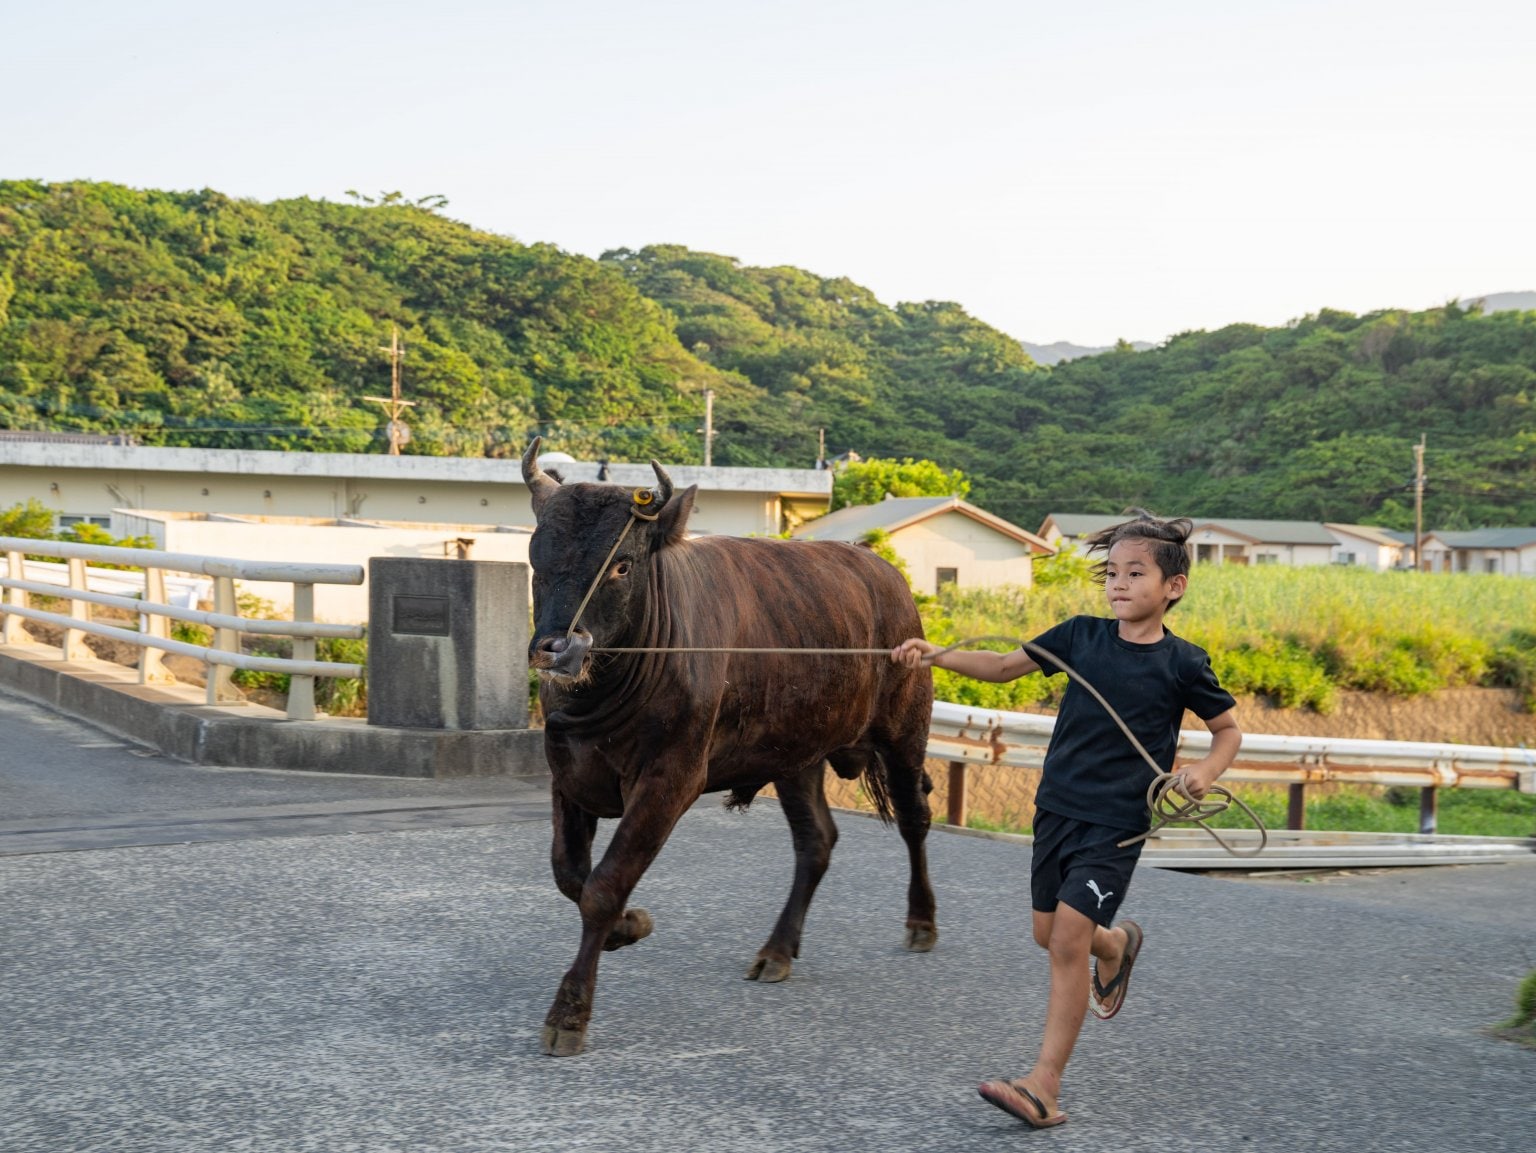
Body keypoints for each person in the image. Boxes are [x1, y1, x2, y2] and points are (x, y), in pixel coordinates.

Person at [891, 510, 1241, 1130]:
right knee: (1049, 934)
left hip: (1118, 823)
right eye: (1112, 573)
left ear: (1173, 588)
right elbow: (1003, 667)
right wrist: (935, 656)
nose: (1119, 584)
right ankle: (1118, 943)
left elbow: (1227, 731)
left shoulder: (1184, 663)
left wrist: (1204, 773)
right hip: (1056, 810)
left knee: (1066, 941)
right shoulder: (1079, 636)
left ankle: (1043, 1086)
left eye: (1136, 573)